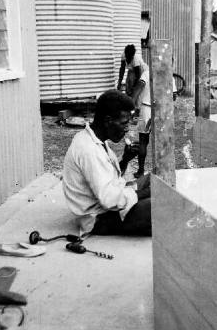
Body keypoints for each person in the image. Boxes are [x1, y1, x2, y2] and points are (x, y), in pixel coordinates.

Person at [62, 89, 152, 237]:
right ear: (108, 121)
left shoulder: (95, 139)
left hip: (107, 204)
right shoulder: (88, 150)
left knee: (155, 179)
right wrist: (144, 194)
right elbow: (109, 200)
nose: (127, 128)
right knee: (155, 205)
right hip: (99, 219)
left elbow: (109, 179)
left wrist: (125, 159)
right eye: (124, 123)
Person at [117, 44, 146, 110]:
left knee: (135, 90)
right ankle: (130, 104)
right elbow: (122, 69)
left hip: (141, 70)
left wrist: (134, 87)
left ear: (132, 56)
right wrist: (119, 82)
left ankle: (135, 107)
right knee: (128, 84)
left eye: (129, 57)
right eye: (127, 57)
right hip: (132, 69)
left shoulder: (135, 59)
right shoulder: (124, 55)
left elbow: (138, 74)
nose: (128, 59)